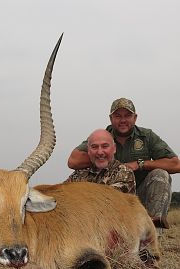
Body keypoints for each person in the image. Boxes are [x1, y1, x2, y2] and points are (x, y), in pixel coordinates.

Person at [68, 97, 180, 230]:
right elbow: (73, 161)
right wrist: (104, 157)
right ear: (111, 118)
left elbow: (175, 164)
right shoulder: (103, 136)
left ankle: (152, 237)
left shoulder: (147, 136)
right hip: (109, 195)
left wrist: (140, 164)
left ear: (135, 117)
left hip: (139, 193)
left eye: (127, 115)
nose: (123, 120)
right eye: (118, 116)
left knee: (161, 175)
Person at [66, 128, 136, 194]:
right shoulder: (79, 174)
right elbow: (62, 192)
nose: (100, 152)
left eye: (105, 146)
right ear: (88, 151)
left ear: (114, 148)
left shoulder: (124, 173)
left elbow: (106, 199)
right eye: (94, 147)